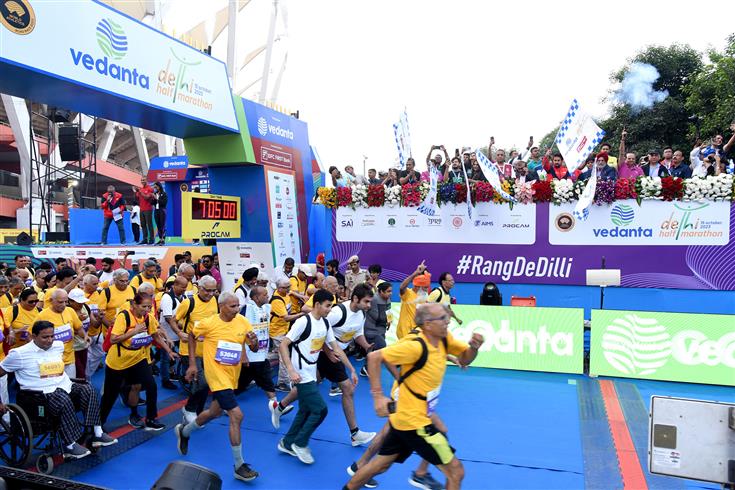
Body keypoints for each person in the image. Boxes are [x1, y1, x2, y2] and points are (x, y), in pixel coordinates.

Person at [344, 303, 485, 490]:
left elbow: (465, 358)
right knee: (456, 472)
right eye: (443, 318)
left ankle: (358, 479)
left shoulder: (444, 339)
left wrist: (473, 348)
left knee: (380, 465)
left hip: (410, 415)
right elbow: (375, 357)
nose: (448, 320)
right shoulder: (415, 346)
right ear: (428, 324)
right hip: (415, 422)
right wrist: (378, 396)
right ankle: (420, 474)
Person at [174, 292, 260, 481]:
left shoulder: (243, 321)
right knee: (237, 415)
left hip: (232, 376)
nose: (237, 309)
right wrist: (193, 363)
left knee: (213, 412)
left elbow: (253, 347)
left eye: (238, 305)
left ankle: (184, 431)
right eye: (232, 306)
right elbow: (191, 335)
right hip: (216, 376)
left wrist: (254, 343)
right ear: (221, 306)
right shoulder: (209, 323)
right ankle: (239, 466)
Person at [0, 320, 118, 458]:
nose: (50, 340)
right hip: (39, 396)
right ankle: (70, 445)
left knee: (88, 389)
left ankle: (98, 433)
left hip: (64, 387)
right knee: (62, 398)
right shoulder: (18, 354)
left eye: (52, 336)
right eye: (45, 337)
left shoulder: (58, 345)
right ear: (33, 336)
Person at [277, 289, 351, 465]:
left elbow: (336, 347)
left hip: (311, 371)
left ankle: (287, 443)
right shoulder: (303, 322)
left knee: (305, 410)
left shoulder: (325, 324)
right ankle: (300, 443)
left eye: (331, 306)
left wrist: (351, 369)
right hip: (300, 373)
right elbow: (283, 345)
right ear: (317, 304)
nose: (330, 310)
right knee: (320, 409)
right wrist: (290, 370)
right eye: (328, 306)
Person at [100, 293, 173, 430]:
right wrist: (134, 331)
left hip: (138, 358)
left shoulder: (148, 318)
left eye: (149, 307)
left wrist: (168, 350)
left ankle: (148, 418)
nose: (147, 309)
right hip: (118, 361)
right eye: (144, 306)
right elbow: (114, 339)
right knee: (110, 394)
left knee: (149, 386)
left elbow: (155, 335)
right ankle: (99, 424)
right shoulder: (124, 316)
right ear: (134, 305)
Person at [320, 284, 377, 445]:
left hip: (337, 354)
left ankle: (280, 406)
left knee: (306, 386)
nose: (369, 305)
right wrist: (328, 351)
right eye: (366, 302)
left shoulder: (361, 315)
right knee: (347, 388)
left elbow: (358, 334)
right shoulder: (338, 312)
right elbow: (319, 329)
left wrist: (366, 347)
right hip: (324, 353)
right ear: (355, 299)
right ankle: (355, 434)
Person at [238, 286, 295, 428]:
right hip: (250, 355)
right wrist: (243, 354)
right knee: (239, 385)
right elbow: (240, 332)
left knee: (264, 378)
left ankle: (275, 405)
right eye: (264, 294)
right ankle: (222, 404)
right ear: (256, 297)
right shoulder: (247, 309)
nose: (267, 295)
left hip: (261, 353)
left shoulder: (266, 308)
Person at [170, 276, 219, 423]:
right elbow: (173, 320)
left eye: (213, 291)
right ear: (199, 288)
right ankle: (189, 409)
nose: (210, 294)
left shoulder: (214, 301)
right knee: (201, 382)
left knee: (207, 383)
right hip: (189, 351)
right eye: (207, 290)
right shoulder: (188, 303)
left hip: (208, 350)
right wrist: (180, 333)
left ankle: (197, 413)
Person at [37, 289, 88, 378]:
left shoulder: (70, 311)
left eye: (65, 302)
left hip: (70, 358)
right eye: (60, 302)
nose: (63, 305)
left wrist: (85, 336)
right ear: (51, 301)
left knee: (70, 384)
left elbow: (79, 327)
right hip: (52, 359)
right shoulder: (42, 315)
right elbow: (31, 335)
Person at [270, 278, 306, 392]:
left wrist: (301, 297)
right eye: (286, 287)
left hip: (284, 330)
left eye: (289, 286)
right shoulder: (277, 301)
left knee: (284, 354)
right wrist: (302, 314)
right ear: (279, 288)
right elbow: (286, 318)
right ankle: (282, 382)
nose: (289, 289)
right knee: (284, 356)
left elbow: (291, 292)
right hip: (277, 332)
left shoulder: (286, 292)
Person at [159, 275, 188, 390]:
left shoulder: (183, 296)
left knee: (179, 356)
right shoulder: (167, 298)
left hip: (178, 333)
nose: (184, 289)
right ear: (174, 285)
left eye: (186, 287)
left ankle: (177, 374)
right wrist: (179, 329)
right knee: (165, 358)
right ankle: (165, 380)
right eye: (182, 287)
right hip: (168, 334)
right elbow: (168, 318)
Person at [68, 288, 99, 380]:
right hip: (72, 349)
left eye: (82, 302)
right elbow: (67, 330)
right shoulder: (67, 311)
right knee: (79, 374)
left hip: (84, 346)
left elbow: (95, 325)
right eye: (78, 303)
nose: (81, 304)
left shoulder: (86, 307)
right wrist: (77, 321)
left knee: (84, 372)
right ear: (70, 301)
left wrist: (100, 318)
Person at [396, 262, 430, 339]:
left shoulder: (424, 297)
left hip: (417, 334)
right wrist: (416, 273)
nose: (427, 287)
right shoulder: (408, 293)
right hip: (405, 333)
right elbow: (401, 288)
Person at [133, 178, 155, 245]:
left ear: (147, 181)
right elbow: (137, 198)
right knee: (143, 225)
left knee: (149, 225)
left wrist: (139, 192)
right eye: (142, 180)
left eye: (144, 180)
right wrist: (135, 192)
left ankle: (151, 239)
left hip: (148, 209)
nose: (142, 181)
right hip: (141, 209)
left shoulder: (150, 189)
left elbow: (146, 197)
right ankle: (145, 239)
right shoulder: (141, 189)